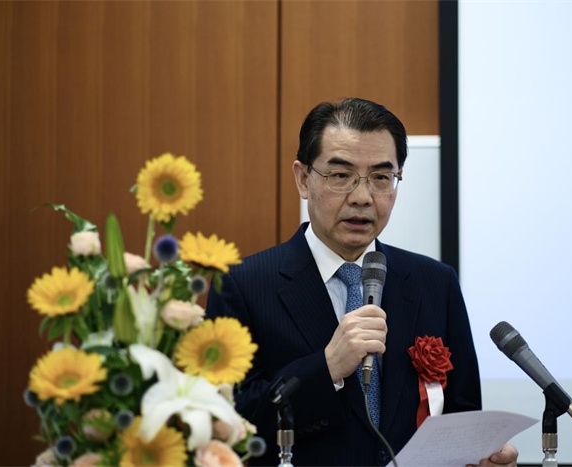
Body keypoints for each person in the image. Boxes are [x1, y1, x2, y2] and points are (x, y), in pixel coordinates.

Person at [206, 97, 518, 466]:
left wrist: (483, 455)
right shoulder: (243, 286)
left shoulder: (435, 283)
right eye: (341, 176)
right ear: (303, 179)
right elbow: (226, 421)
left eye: (381, 178)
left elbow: (462, 414)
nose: (362, 197)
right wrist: (325, 369)